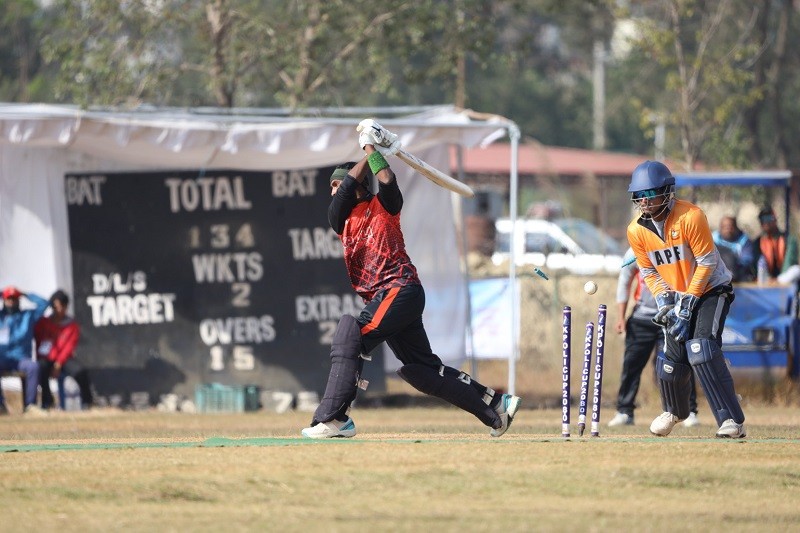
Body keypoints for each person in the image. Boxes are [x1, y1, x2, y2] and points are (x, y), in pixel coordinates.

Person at [301, 119, 521, 438]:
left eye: (335, 185)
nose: (334, 192)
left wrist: (372, 151)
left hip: (399, 288)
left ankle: (336, 419)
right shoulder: (339, 218)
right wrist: (371, 148)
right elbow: (348, 185)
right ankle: (496, 405)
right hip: (391, 297)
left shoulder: (383, 206)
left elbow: (386, 178)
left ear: (364, 187)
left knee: (353, 334)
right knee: (422, 371)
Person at [626, 160, 746, 438]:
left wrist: (689, 303)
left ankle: (731, 420)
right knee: (670, 360)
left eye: (650, 194)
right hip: (677, 297)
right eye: (639, 195)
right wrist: (665, 303)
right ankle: (673, 410)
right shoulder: (636, 231)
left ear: (667, 191)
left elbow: (706, 261)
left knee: (701, 349)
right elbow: (649, 271)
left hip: (711, 290)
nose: (644, 201)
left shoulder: (690, 216)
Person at [607, 248, 700, 428]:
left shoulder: (676, 245)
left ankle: (689, 411)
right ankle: (624, 411)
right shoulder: (634, 251)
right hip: (642, 317)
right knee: (631, 365)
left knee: (679, 364)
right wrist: (621, 316)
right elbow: (624, 281)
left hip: (673, 316)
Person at [34, 289, 94, 410]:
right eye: (55, 306)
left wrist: (58, 364)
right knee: (40, 368)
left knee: (80, 372)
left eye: (61, 306)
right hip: (47, 358)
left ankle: (88, 403)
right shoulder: (43, 323)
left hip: (64, 359)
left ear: (66, 306)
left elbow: (69, 347)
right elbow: (39, 343)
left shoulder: (72, 325)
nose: (58, 310)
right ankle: (47, 402)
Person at [0, 286, 49, 415]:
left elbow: (44, 304)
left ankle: (30, 406)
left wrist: (25, 294)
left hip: (21, 358)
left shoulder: (27, 316)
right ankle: (1, 406)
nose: (11, 302)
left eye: (14, 299)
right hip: (2, 358)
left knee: (34, 367)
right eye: (8, 299)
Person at [751, 206, 798, 282]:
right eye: (763, 220)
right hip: (765, 278)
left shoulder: (789, 239)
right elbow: (758, 264)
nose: (766, 222)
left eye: (769, 218)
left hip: (784, 278)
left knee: (796, 270)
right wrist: (769, 278)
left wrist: (778, 280)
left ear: (775, 220)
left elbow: (789, 262)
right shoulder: (757, 242)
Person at [712, 215, 755, 282]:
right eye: (725, 227)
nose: (728, 229)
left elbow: (747, 260)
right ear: (720, 228)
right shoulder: (713, 240)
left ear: (736, 227)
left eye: (731, 226)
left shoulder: (744, 240)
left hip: (738, 276)